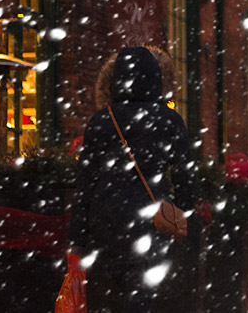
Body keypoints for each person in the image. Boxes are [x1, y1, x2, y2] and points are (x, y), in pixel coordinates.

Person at [68, 46, 197, 313]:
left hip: (106, 220)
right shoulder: (170, 121)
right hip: (153, 218)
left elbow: (86, 183)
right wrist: (183, 213)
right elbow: (185, 175)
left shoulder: (101, 122)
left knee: (111, 292)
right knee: (142, 290)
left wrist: (78, 238)